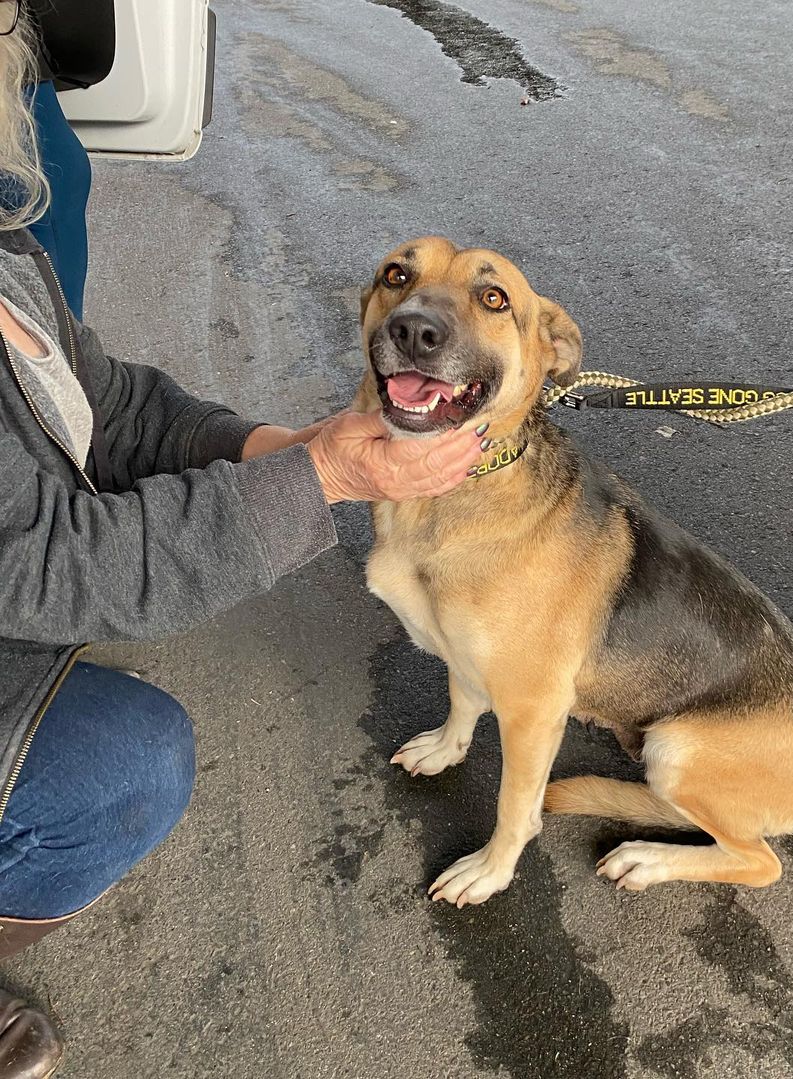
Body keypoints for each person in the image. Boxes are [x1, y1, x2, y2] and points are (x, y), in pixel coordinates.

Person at [0, 5, 486, 1076]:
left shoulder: (4, 251)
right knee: (126, 765)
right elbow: (48, 566)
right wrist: (327, 477)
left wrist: (286, 445)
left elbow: (103, 404)